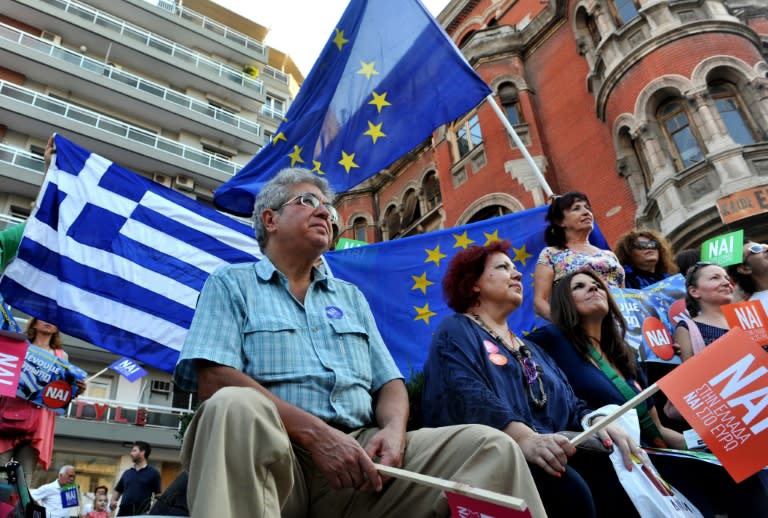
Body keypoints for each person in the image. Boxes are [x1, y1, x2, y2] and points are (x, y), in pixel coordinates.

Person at [173, 168, 547, 518]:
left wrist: (394, 432)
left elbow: (390, 382)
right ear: (269, 220)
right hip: (275, 458)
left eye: (328, 207)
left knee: (491, 448)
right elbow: (214, 380)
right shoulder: (231, 283)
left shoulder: (350, 297)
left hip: (362, 461)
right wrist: (317, 435)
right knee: (233, 406)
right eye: (307, 201)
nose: (325, 213)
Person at [421, 241, 639, 518]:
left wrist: (598, 422)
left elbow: (571, 404)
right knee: (570, 489)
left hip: (557, 450)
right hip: (497, 459)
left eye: (515, 269)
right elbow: (465, 392)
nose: (517, 275)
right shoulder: (456, 329)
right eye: (503, 267)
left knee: (617, 474)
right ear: (473, 283)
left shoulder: (532, 349)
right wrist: (524, 438)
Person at [529, 270, 684, 449]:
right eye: (579, 286)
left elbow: (658, 430)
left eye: (598, 286)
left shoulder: (628, 354)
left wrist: (700, 443)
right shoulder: (551, 338)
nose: (593, 287)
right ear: (564, 302)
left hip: (649, 459)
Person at [533, 192, 624, 319]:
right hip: (583, 327)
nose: (586, 212)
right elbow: (540, 301)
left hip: (622, 324)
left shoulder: (610, 255)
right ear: (560, 222)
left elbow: (625, 295)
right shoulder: (551, 254)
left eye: (587, 207)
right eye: (576, 208)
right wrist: (567, 326)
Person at [0, 319, 70, 477]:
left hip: (39, 422)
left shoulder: (61, 356)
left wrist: (76, 389)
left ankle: (17, 503)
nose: (49, 321)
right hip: (8, 415)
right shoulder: (19, 346)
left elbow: (61, 392)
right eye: (43, 317)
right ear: (34, 323)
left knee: (23, 479)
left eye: (53, 318)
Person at [673, 262, 733, 361]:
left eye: (727, 278)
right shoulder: (687, 329)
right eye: (715, 278)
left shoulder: (747, 317)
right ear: (694, 291)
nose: (727, 283)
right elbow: (688, 373)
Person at [110, 441, 161, 516]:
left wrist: (152, 512)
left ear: (143, 452)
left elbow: (158, 495)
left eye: (134, 451)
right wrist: (113, 501)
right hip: (123, 513)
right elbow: (118, 490)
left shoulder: (153, 473)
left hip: (142, 514)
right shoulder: (127, 473)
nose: (131, 453)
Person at [728, 240, 768, 310]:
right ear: (745, 269)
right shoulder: (750, 310)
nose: (766, 248)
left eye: (765, 245)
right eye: (756, 248)